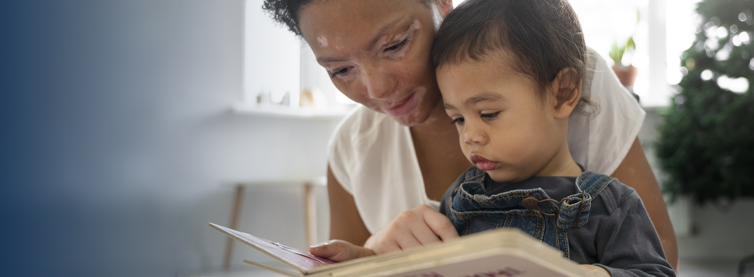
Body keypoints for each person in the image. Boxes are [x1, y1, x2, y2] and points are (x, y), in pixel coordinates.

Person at [261, 0, 679, 269]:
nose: (376, 89)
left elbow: (657, 257)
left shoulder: (563, 76)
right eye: (339, 70)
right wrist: (374, 252)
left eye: (395, 45)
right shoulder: (357, 150)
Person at [430, 0, 674, 276]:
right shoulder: (459, 198)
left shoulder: (611, 206)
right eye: (458, 120)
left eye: (488, 113)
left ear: (562, 94)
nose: (470, 136)